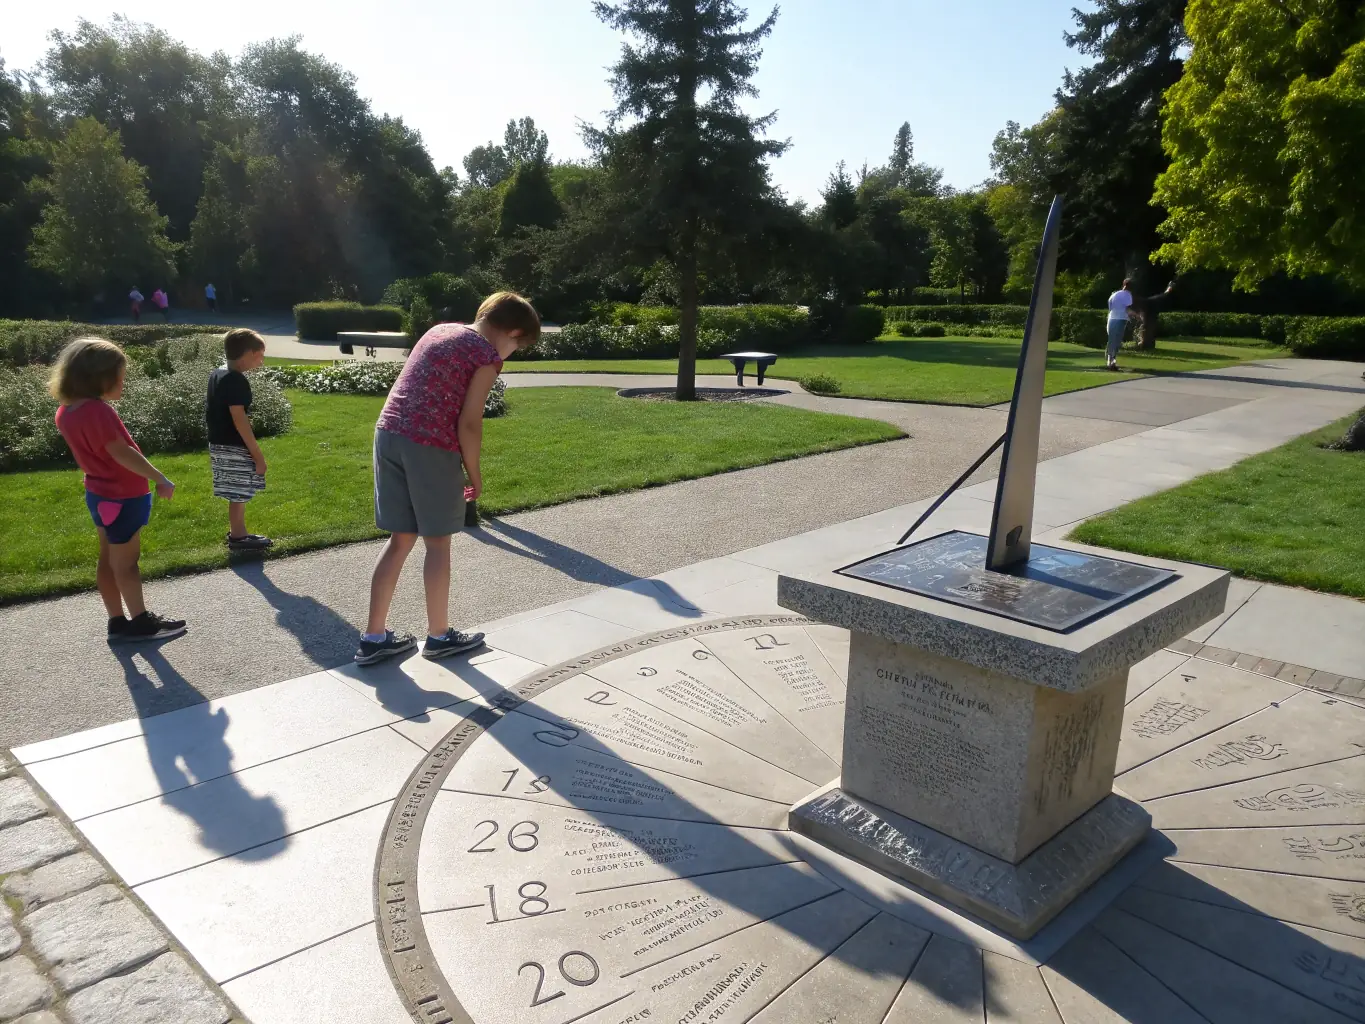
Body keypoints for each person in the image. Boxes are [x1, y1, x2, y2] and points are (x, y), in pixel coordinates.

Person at [356, 291, 540, 665]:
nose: (511, 353)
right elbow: (469, 423)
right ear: (513, 332)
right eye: (518, 346)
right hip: (429, 444)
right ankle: (439, 636)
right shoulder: (486, 356)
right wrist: (473, 473)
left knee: (400, 538)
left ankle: (374, 637)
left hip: (388, 434)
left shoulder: (440, 330)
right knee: (438, 543)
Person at [50, 338, 186, 642]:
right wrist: (159, 477)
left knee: (107, 559)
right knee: (126, 563)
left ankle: (117, 621)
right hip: (124, 496)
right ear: (99, 377)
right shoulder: (99, 412)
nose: (123, 382)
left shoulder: (67, 411)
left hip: (98, 495)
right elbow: (121, 452)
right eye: (120, 377)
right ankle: (141, 623)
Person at [206, 328, 273, 551]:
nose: (262, 361)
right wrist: (258, 455)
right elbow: (239, 419)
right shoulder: (236, 381)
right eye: (259, 355)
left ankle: (238, 532)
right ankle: (238, 537)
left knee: (237, 490)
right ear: (247, 354)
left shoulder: (218, 373)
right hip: (233, 444)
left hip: (218, 442)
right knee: (239, 491)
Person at [1135, 281, 1176, 350]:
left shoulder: (1146, 303)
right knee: (1148, 330)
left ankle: (1145, 345)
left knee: (1147, 330)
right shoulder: (1148, 303)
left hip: (1150, 315)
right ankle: (1146, 345)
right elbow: (1165, 294)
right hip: (1150, 315)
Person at [1105, 279, 1134, 370]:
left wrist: (1111, 313)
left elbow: (1110, 305)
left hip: (1112, 318)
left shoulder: (1114, 294)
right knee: (1116, 340)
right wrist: (1136, 316)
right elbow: (1127, 309)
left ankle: (1111, 359)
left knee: (1112, 339)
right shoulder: (1128, 295)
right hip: (1121, 318)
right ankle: (1112, 359)